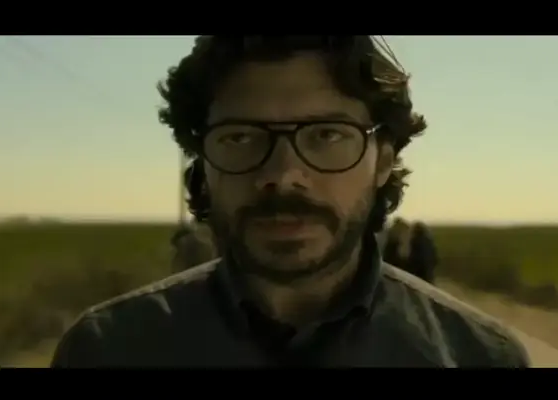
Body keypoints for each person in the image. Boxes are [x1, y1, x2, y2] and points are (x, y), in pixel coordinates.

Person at [50, 36, 530, 368]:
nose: (282, 176)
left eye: (326, 135)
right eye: (241, 137)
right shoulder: (106, 351)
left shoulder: (478, 357)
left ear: (383, 160)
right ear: (202, 163)